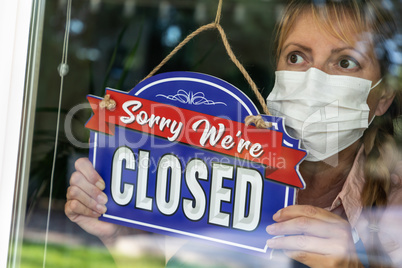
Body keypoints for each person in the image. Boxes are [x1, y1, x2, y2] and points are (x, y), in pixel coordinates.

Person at [65, 0, 402, 267]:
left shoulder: (394, 204)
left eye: (345, 62)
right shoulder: (214, 173)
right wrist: (123, 237)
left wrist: (357, 265)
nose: (313, 80)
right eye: (297, 57)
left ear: (383, 95)